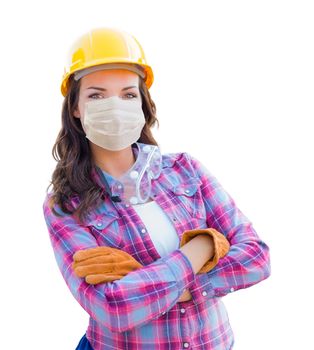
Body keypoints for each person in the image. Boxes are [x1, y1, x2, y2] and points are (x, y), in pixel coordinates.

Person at [43, 27, 271, 350]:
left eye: (127, 93)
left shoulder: (185, 170)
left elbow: (257, 256)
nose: (115, 106)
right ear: (75, 107)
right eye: (96, 94)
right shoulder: (64, 204)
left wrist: (171, 285)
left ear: (142, 102)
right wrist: (201, 248)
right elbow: (115, 309)